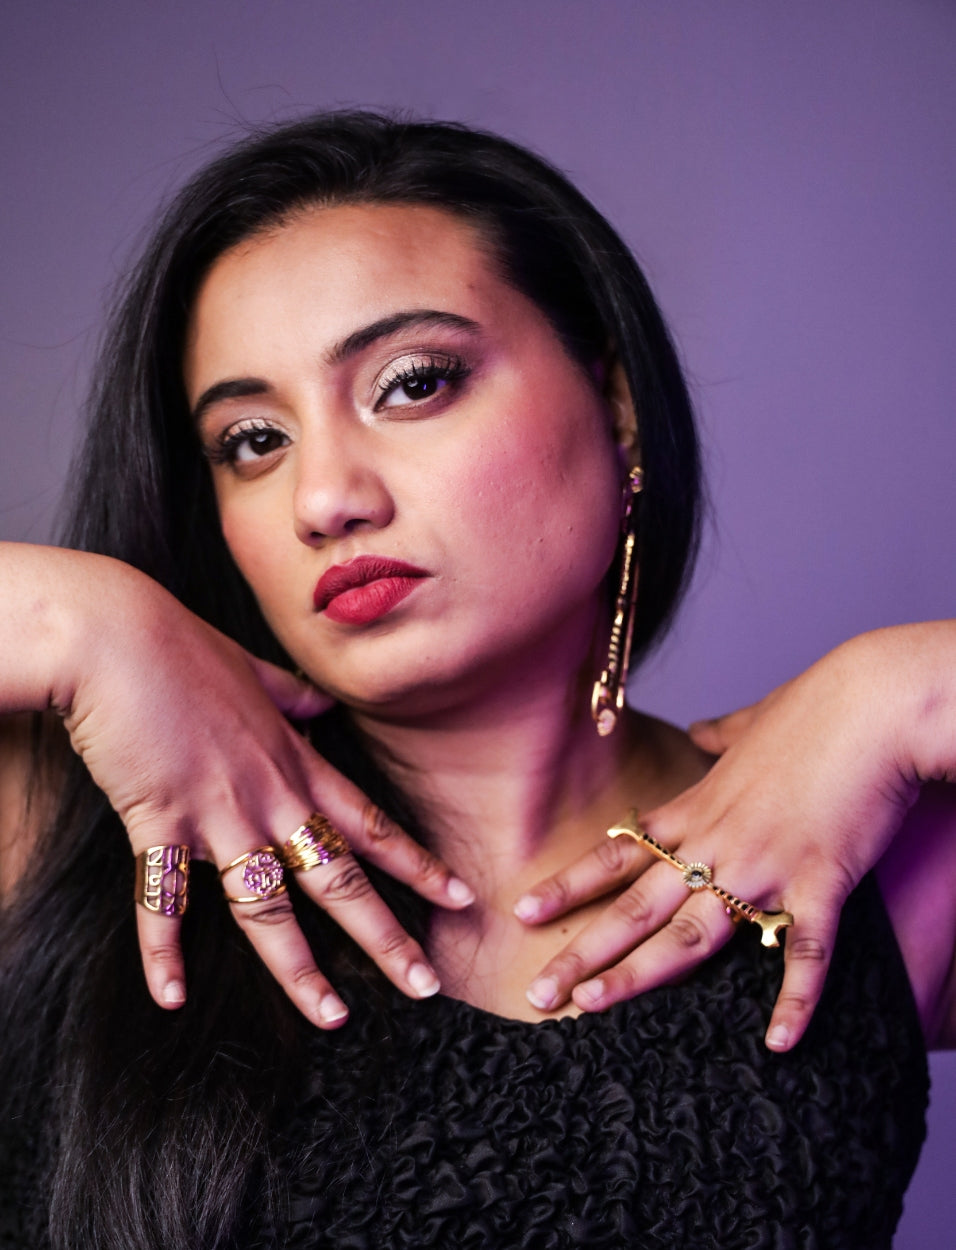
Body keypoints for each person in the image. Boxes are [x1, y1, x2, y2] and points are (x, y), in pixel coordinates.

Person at [0, 111, 951, 1249]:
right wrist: (81, 617)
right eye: (253, 440)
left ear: (616, 404)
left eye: (411, 383)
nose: (324, 497)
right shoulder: (73, 819)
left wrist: (911, 685)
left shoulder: (871, 863)